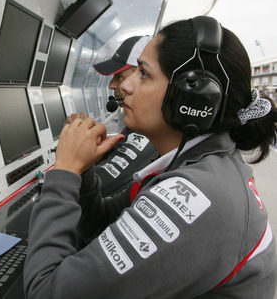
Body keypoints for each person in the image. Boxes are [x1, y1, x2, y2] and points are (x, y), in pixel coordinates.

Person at [24, 16, 277, 298]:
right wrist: (82, 172)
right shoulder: (195, 165)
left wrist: (64, 172)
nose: (127, 86)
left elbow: (45, 292)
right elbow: (100, 222)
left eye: (143, 74)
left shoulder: (199, 194)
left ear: (191, 100)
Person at [93, 35, 159, 196]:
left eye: (119, 76)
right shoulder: (134, 124)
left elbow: (99, 187)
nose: (112, 85)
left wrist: (69, 161)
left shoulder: (148, 132)